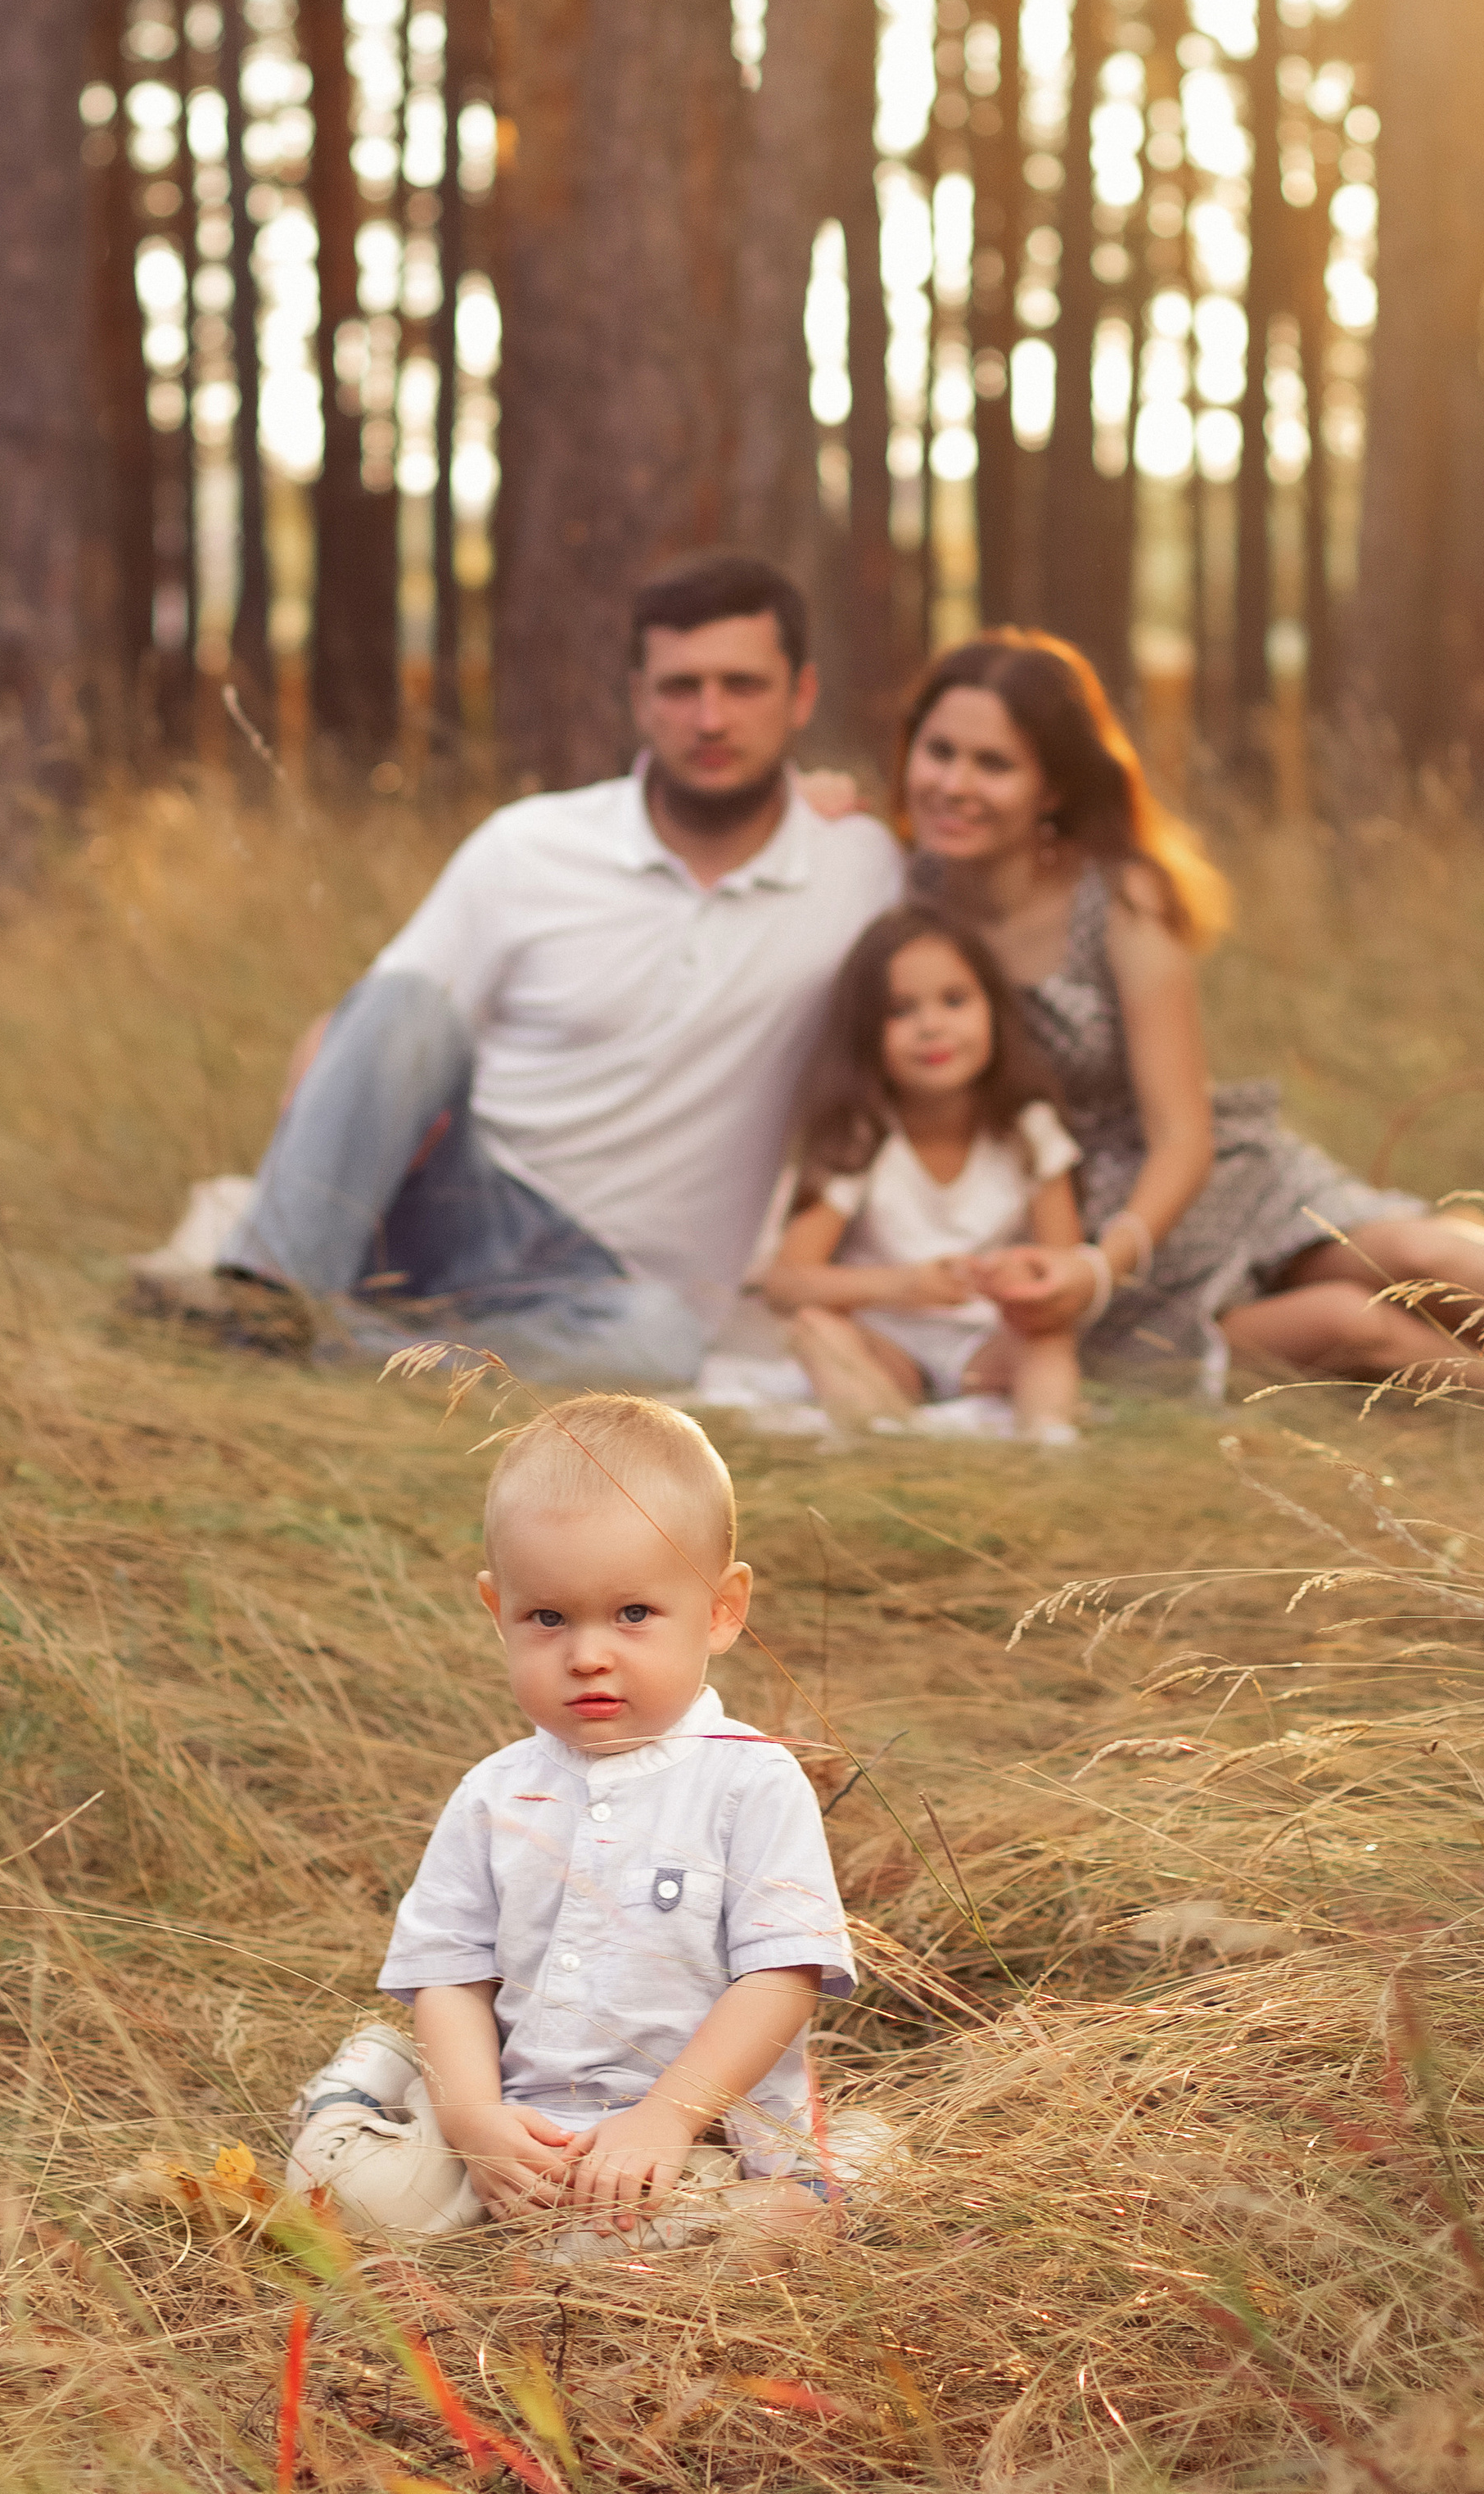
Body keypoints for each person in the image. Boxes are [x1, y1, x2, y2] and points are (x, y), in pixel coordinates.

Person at [867, 630, 1484, 1398]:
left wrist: (1101, 1265)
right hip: (1042, 1230)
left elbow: (1181, 1135)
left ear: (1050, 783)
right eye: (938, 752)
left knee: (1418, 1256)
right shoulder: (896, 892)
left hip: (1185, 1199)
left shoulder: (1118, 897)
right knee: (1351, 1330)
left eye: (993, 764)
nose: (953, 784)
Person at [138, 554, 904, 1387]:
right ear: (640, 698)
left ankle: (300, 1338)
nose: (710, 719)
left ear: (801, 696)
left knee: (657, 1348)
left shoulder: (859, 870)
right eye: (680, 688)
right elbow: (372, 1028)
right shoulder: (530, 845)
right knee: (408, 1004)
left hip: (617, 1289)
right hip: (461, 1202)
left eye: (742, 686)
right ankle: (271, 1299)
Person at [283, 1396, 886, 2252]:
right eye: (549, 1618)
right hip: (517, 2124)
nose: (588, 1653)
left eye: (633, 1614)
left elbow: (780, 1979)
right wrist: (474, 2123)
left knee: (667, 2247)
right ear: (499, 1611)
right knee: (350, 2207)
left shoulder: (748, 1781)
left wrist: (663, 2122)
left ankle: (839, 2166)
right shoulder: (495, 1793)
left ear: (720, 1610)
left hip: (686, 2130)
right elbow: (451, 1974)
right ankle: (361, 2091)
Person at [758, 906, 1085, 1441]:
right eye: (900, 1011)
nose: (931, 1027)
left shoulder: (1029, 1129)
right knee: (815, 1330)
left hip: (986, 1345)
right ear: (866, 1031)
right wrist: (905, 1285)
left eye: (954, 1001)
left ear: (993, 1011)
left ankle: (1050, 1437)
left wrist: (1018, 1280)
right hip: (889, 1343)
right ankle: (886, 1430)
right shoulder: (860, 1134)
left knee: (1049, 1336)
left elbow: (1063, 1269)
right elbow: (787, 1283)